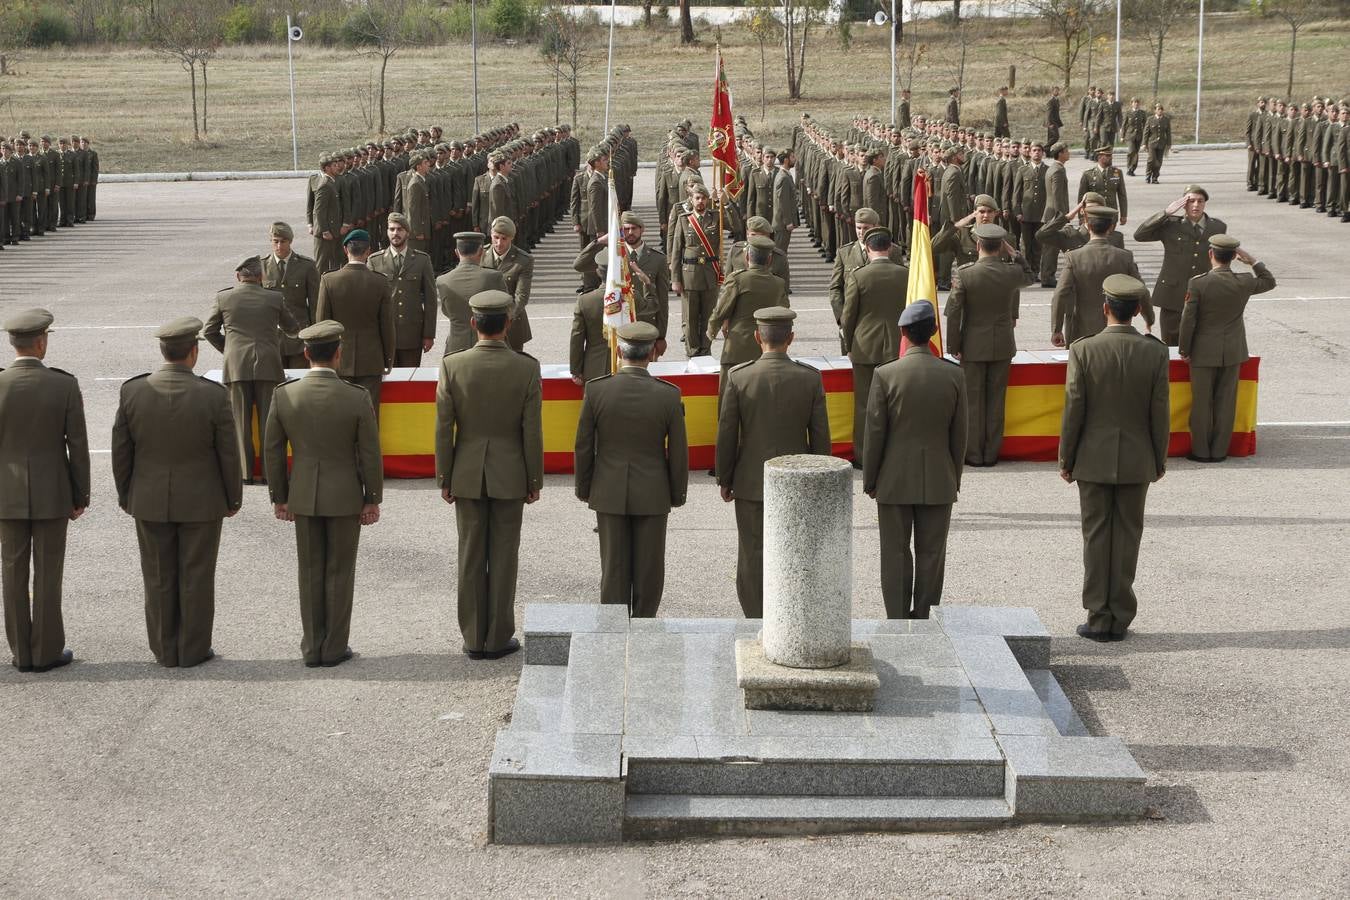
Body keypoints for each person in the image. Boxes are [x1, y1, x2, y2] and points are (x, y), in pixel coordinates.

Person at [112, 317, 242, 668]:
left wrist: (126, 494)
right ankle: (193, 648)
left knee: (157, 575)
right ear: (194, 352)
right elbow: (228, 454)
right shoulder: (213, 395)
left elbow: (121, 451)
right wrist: (233, 499)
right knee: (197, 574)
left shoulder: (133, 391)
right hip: (202, 499)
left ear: (162, 351)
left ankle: (164, 649)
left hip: (149, 497)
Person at [264, 320, 383, 668]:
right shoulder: (356, 396)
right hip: (345, 493)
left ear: (305, 353)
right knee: (339, 572)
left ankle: (312, 646)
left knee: (310, 570)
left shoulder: (284, 394)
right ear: (338, 353)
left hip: (302, 492)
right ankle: (333, 647)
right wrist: (372, 497)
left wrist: (279, 496)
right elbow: (369, 453)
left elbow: (273, 450)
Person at [1059, 274, 1169, 642]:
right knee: (1127, 536)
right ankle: (1120, 614)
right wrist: (1158, 459)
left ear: (1104, 307)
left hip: (1092, 457)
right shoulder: (1154, 351)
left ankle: (1097, 615)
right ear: (1138, 310)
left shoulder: (1084, 349)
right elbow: (1160, 411)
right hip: (1137, 458)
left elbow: (1074, 409)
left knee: (1096, 536)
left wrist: (1066, 458)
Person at [435, 290, 543, 660]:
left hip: (466, 472)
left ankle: (472, 636)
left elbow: (444, 427)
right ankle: (498, 636)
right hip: (511, 472)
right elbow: (532, 431)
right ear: (508, 325)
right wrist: (534, 480)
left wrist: (444, 476)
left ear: (472, 324)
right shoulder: (526, 367)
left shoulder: (452, 365)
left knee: (470, 554)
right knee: (503, 556)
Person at [716, 308, 830, 617]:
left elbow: (727, 434)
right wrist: (820, 481)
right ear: (791, 338)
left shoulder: (740, 376)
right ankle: (791, 614)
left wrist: (726, 478)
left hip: (751, 481)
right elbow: (820, 438)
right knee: (796, 550)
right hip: (798, 480)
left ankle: (755, 616)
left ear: (756, 337)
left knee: (753, 554)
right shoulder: (809, 378)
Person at [573, 321, 687, 617]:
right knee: (649, 570)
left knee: (613, 568)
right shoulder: (668, 395)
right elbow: (678, 452)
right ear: (650, 354)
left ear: (619, 351)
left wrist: (585, 488)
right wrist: (677, 494)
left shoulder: (597, 391)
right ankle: (644, 626)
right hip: (653, 490)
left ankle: (613, 629)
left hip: (608, 488)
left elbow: (584, 446)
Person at [863, 300, 965, 620]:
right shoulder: (953, 375)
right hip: (939, 476)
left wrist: (871, 479)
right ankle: (924, 617)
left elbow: (875, 433)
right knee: (932, 554)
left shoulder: (885, 374)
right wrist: (953, 476)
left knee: (894, 552)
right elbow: (959, 435)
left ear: (903, 332)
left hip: (893, 478)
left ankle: (896, 616)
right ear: (934, 333)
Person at [0, 309, 88, 672]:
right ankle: (47, 649)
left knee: (12, 573)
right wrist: (80, 495)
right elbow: (77, 445)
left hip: (7, 492)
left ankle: (21, 651)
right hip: (53, 491)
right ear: (41, 342)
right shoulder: (63, 384)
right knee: (49, 573)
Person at [1179, 235, 1276, 463]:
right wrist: (1252, 260)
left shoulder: (1198, 283)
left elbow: (1188, 320)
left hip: (1203, 351)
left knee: (1202, 403)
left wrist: (1184, 348)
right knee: (1226, 402)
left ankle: (1202, 451)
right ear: (1234, 256)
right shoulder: (1243, 281)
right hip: (1233, 350)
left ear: (1210, 254)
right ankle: (1220, 450)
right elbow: (1269, 281)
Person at [945, 224, 1035, 468]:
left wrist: (953, 343)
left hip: (973, 344)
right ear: (1001, 247)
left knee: (972, 401)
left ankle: (973, 454)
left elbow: (954, 312)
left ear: (977, 245)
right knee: (996, 401)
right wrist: (1016, 254)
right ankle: (991, 453)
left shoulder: (965, 274)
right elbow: (1030, 276)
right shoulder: (1010, 272)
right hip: (1003, 343)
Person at [205, 257, 300, 483]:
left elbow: (209, 331)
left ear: (239, 276)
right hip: (268, 363)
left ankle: (245, 473)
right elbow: (292, 328)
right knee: (269, 423)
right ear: (261, 277)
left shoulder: (224, 297)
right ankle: (270, 472)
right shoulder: (274, 298)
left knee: (240, 422)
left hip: (236, 364)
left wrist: (229, 349)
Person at [841, 227, 908, 465]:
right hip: (897, 346)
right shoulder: (905, 274)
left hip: (864, 346)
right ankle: (893, 452)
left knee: (864, 405)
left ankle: (863, 455)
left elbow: (848, 317)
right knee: (895, 403)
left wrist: (847, 345)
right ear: (889, 248)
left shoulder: (858, 276)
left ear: (868, 249)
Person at [1133, 185, 1227, 345]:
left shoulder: (1217, 227)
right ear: (1184, 204)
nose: (1196, 205)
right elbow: (1140, 235)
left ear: (1205, 203)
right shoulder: (1171, 224)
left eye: (1200, 201)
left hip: (1203, 293)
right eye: (1191, 201)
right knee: (1171, 344)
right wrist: (1165, 213)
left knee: (1201, 343)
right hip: (1172, 293)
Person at [1052, 206, 1153, 346]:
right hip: (1117, 330)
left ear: (1087, 223)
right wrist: (1149, 319)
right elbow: (1141, 291)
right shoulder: (1124, 257)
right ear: (1110, 227)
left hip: (1082, 330)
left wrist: (1056, 329)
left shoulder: (1074, 257)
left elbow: (1060, 294)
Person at [707, 235, 788, 403]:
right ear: (770, 259)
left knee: (729, 402)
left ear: (747, 256)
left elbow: (722, 310)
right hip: (767, 347)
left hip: (737, 347)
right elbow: (784, 311)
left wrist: (712, 328)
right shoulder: (778, 283)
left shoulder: (738, 279)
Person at [368, 213, 437, 368]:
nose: (395, 233)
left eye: (399, 229)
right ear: (387, 232)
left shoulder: (422, 260)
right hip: (383, 335)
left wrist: (428, 334)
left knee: (409, 383)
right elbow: (369, 301)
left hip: (411, 335)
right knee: (387, 383)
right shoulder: (375, 261)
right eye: (391, 229)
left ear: (407, 232)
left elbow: (431, 300)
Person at [668, 183, 724, 358]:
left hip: (710, 273)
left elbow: (736, 226)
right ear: (691, 200)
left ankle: (705, 351)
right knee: (690, 318)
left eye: (703, 198)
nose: (700, 201)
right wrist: (675, 279)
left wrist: (725, 203)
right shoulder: (684, 219)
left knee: (709, 316)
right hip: (689, 274)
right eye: (697, 198)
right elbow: (677, 250)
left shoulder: (716, 216)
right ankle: (692, 352)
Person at [261, 222, 321, 369]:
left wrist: (315, 336)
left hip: (300, 339)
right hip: (272, 338)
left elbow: (315, 304)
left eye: (283, 242)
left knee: (299, 381)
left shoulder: (306, 266)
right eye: (275, 242)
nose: (279, 246)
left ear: (290, 241)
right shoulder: (261, 267)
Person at [438, 231, 508, 355]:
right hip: (489, 345)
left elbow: (446, 311)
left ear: (456, 252)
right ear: (481, 251)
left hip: (455, 346)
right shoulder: (494, 277)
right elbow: (505, 310)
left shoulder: (443, 280)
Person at [482, 216, 536, 353]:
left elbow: (521, 297)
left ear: (512, 238)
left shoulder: (523, 260)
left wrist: (504, 321)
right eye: (496, 237)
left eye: (504, 239)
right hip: (483, 322)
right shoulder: (480, 255)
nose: (499, 243)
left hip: (511, 323)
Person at [1078, 146, 1128, 224]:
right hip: (1094, 214)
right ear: (1099, 157)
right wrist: (1081, 216)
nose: (1110, 158)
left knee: (1111, 235)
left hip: (1111, 214)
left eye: (1111, 155)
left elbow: (1122, 195)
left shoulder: (1117, 172)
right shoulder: (1088, 174)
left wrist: (1124, 215)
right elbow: (1082, 196)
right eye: (1107, 156)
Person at [770, 149, 799, 252]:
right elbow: (783, 202)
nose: (795, 159)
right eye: (792, 157)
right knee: (779, 253)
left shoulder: (785, 175)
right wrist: (788, 222)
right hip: (782, 224)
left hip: (782, 223)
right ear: (786, 160)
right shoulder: (783, 177)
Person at [1143, 103, 1172, 184]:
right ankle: (1148, 175)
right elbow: (1146, 132)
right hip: (1152, 143)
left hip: (1162, 143)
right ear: (1155, 110)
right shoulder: (1150, 119)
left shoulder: (1166, 120)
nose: (1160, 111)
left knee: (1159, 162)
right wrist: (1144, 144)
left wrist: (1169, 144)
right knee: (1151, 160)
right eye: (1158, 109)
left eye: (1161, 109)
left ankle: (1155, 177)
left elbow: (1168, 133)